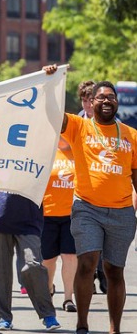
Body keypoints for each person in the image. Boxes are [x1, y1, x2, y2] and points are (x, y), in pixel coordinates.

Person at [46, 65, 137, 334]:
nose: (107, 101)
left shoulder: (132, 135)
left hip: (122, 212)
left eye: (111, 97)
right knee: (87, 263)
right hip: (86, 208)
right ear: (91, 102)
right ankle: (82, 329)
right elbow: (50, 116)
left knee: (114, 271)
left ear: (116, 102)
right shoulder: (78, 126)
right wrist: (50, 83)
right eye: (101, 97)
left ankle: (114, 333)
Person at [0, 192, 61, 331]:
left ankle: (47, 314)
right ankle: (3, 317)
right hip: (0, 216)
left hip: (29, 218)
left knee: (32, 264)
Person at [77, 80, 108, 294]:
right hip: (78, 184)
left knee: (103, 237)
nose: (88, 105)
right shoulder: (77, 122)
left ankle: (103, 275)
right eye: (85, 101)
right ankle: (89, 275)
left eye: (91, 100)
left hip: (102, 185)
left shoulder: (106, 121)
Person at [41, 137, 77, 312]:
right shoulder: (46, 153)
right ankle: (48, 291)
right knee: (48, 259)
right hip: (47, 214)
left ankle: (68, 298)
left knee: (70, 256)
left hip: (71, 214)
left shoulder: (79, 152)